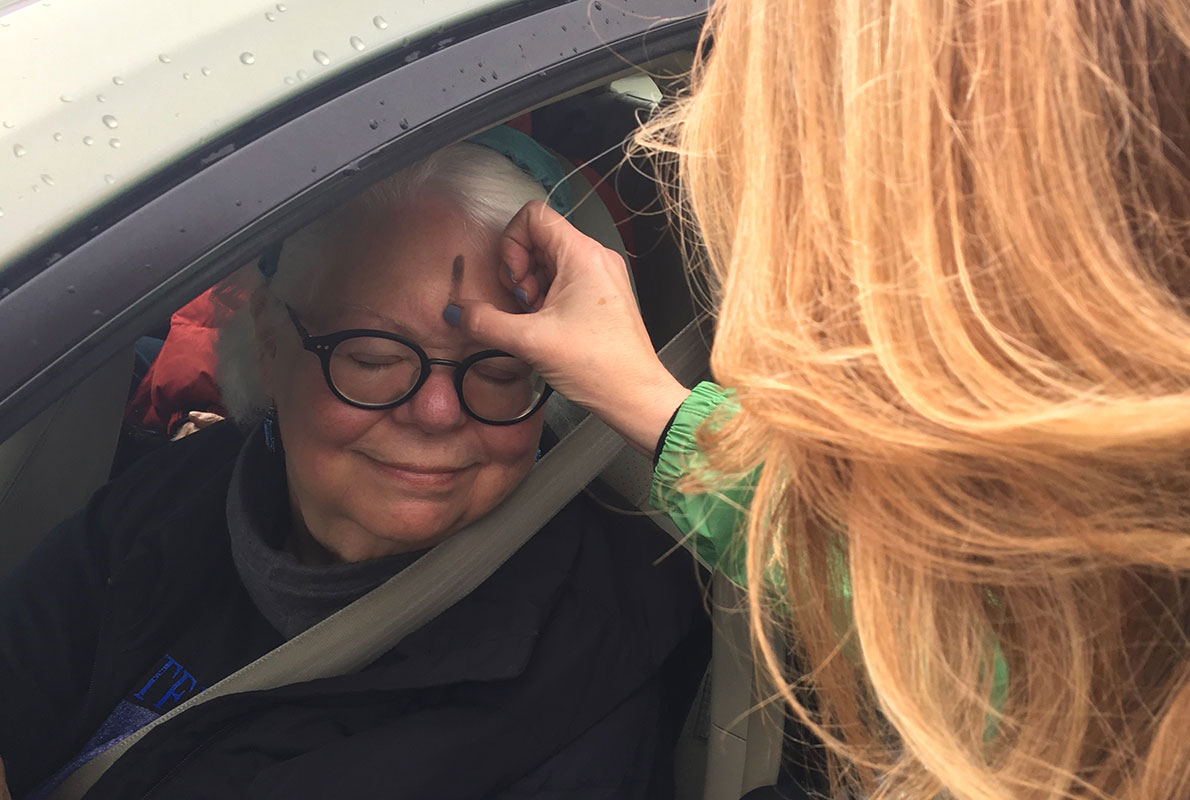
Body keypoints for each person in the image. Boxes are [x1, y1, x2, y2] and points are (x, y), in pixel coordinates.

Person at [450, 2, 1190, 798]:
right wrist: (653, 404)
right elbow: (927, 610)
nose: (751, 332)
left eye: (787, 229)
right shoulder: (1123, 595)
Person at [0, 132, 707, 799]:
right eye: (372, 358)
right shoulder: (185, 492)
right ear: (271, 345)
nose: (436, 412)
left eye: (498, 368)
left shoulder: (596, 654)